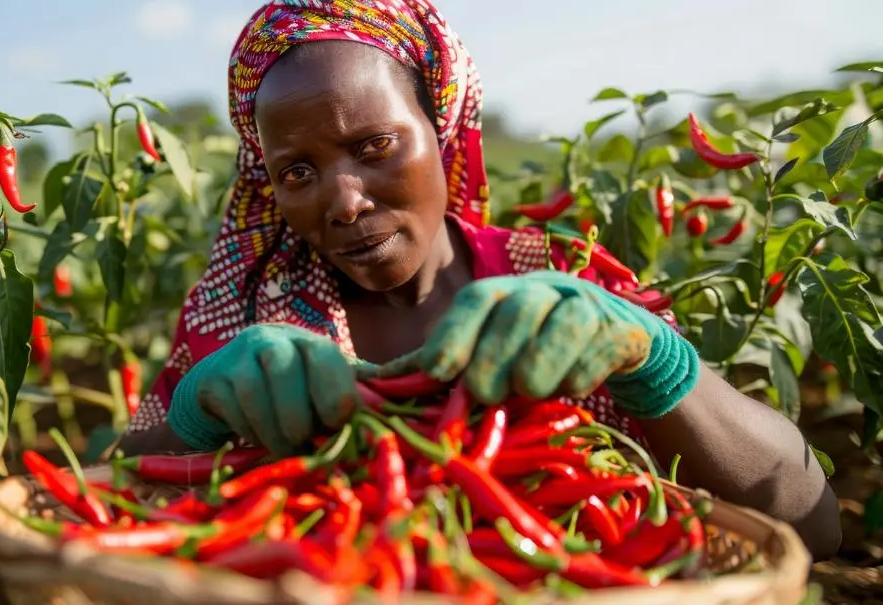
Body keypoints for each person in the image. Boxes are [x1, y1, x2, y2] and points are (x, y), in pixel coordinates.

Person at [117, 0, 841, 560]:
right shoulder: (244, 308)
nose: (343, 201)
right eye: (297, 173)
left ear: (443, 123)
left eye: (374, 146)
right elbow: (105, 495)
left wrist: (652, 357)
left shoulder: (561, 280)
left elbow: (812, 521)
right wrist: (192, 416)